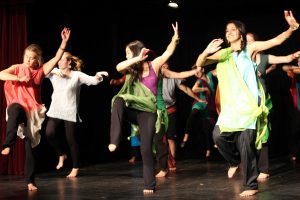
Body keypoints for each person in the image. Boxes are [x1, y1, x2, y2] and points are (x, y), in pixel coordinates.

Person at [194, 10, 299, 197]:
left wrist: (291, 28)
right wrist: (206, 51)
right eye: (227, 31)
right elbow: (200, 62)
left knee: (246, 146)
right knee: (217, 136)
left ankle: (251, 185)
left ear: (240, 33)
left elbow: (276, 41)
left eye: (232, 30)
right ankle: (234, 162)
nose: (229, 32)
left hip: (248, 107)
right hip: (231, 108)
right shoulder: (224, 54)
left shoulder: (250, 49)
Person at [0, 27, 71, 191]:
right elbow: (1, 74)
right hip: (18, 106)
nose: (28, 60)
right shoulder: (17, 68)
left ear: (37, 60)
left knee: (30, 148)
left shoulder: (40, 71)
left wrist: (64, 42)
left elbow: (56, 58)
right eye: (26, 57)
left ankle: (30, 181)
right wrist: (18, 78)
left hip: (33, 113)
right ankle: (8, 144)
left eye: (32, 58)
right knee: (14, 109)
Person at [45, 51, 108, 178]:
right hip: (56, 109)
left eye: (63, 60)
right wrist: (53, 70)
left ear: (69, 62)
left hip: (70, 109)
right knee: (49, 133)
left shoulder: (76, 75)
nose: (59, 62)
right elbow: (42, 71)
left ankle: (75, 167)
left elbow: (92, 81)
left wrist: (98, 76)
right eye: (59, 60)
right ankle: (61, 154)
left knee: (70, 138)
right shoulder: (54, 72)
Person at [246, 32, 300, 181]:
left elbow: (286, 59)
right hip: (245, 101)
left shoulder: (264, 58)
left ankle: (263, 169)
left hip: (261, 101)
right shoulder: (240, 60)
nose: (248, 44)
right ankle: (249, 166)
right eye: (246, 42)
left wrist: (293, 56)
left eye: (251, 41)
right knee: (247, 135)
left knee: (262, 133)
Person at [161, 62, 206, 173]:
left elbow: (186, 89)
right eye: (164, 66)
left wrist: (198, 99)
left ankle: (172, 161)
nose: (166, 67)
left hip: (171, 109)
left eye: (168, 65)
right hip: (158, 111)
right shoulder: (155, 77)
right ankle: (162, 162)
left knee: (170, 138)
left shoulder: (173, 78)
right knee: (160, 139)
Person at [180, 67, 217, 159]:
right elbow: (193, 89)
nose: (197, 74)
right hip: (201, 102)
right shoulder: (199, 81)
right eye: (195, 73)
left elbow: (219, 70)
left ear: (203, 70)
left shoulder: (210, 75)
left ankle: (209, 149)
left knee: (208, 128)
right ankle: (186, 136)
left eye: (198, 72)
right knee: (193, 113)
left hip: (210, 103)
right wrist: (204, 88)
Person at [282, 58, 300, 162]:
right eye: (298, 61)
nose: (299, 62)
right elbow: (284, 67)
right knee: (295, 130)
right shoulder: (295, 72)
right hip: (297, 105)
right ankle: (294, 152)